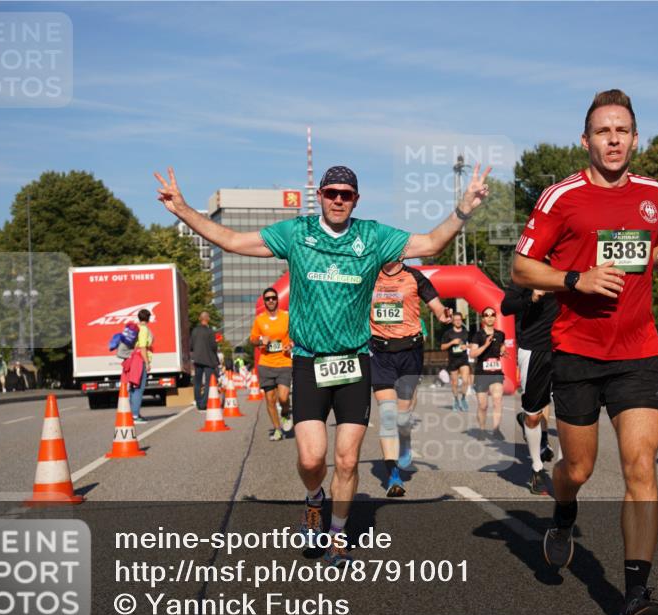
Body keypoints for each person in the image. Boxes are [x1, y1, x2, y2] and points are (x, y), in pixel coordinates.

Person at [156, 163, 490, 566]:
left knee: (347, 459)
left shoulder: (373, 236)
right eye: (331, 192)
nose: (337, 200)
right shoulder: (296, 234)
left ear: (355, 199)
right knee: (313, 458)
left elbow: (433, 243)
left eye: (345, 194)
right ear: (320, 195)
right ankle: (314, 498)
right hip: (309, 363)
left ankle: (336, 535)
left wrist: (465, 207)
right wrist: (184, 209)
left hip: (354, 362)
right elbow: (231, 240)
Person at [511, 89, 658, 615]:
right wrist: (573, 280)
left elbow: (653, 248)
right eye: (603, 131)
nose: (614, 140)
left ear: (636, 139)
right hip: (578, 351)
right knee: (578, 470)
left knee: (641, 467)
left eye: (623, 130)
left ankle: (636, 594)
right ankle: (563, 514)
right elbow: (519, 268)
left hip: (637, 351)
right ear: (585, 141)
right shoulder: (561, 197)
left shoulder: (653, 193)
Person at [370, 261, 452, 496]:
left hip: (409, 351)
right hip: (379, 352)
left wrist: (442, 313)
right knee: (387, 415)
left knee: (403, 416)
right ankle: (394, 476)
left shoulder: (415, 277)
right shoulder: (369, 274)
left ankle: (404, 439)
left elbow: (435, 305)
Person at [501, 284, 561, 495]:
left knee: (568, 412)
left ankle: (563, 470)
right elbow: (506, 307)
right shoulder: (525, 273)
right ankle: (537, 468)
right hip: (533, 348)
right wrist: (531, 299)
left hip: (565, 346)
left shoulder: (566, 266)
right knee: (533, 416)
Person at [251, 287, 293, 441]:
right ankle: (277, 429)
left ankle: (286, 412)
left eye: (273, 298)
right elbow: (253, 340)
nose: (271, 301)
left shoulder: (286, 317)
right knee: (270, 400)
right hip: (266, 364)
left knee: (283, 397)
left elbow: (295, 335)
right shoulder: (260, 319)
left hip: (284, 362)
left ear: (277, 299)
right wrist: (261, 340)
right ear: (264, 301)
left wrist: (292, 344)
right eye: (268, 298)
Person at [469, 307, 507, 440]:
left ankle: (496, 429)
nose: (489, 317)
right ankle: (482, 429)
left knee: (497, 401)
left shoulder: (500, 334)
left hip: (496, 372)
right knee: (483, 405)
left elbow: (502, 346)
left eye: (492, 315)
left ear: (495, 318)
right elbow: (472, 354)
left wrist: (502, 350)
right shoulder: (478, 335)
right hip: (481, 373)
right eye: (486, 315)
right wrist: (485, 345)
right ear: (483, 318)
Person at [440, 311, 471, 411]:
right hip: (453, 360)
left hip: (463, 359)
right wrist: (452, 342)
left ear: (462, 320)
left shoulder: (466, 332)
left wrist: (466, 346)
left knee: (466, 381)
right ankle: (456, 400)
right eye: (456, 320)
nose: (458, 322)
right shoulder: (448, 334)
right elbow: (442, 347)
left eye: (459, 320)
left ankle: (463, 398)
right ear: (452, 321)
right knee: (454, 383)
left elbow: (473, 344)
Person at [190, 311, 219, 411]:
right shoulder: (210, 331)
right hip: (208, 360)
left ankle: (198, 402)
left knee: (197, 382)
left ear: (199, 318)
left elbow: (191, 345)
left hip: (197, 359)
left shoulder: (194, 331)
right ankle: (204, 403)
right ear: (208, 319)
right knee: (208, 382)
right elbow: (214, 346)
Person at [130, 308, 154, 424]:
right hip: (140, 360)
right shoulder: (144, 329)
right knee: (139, 388)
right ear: (148, 318)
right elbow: (143, 347)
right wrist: (147, 362)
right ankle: (135, 415)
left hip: (133, 358)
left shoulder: (136, 328)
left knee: (134, 387)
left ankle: (133, 413)